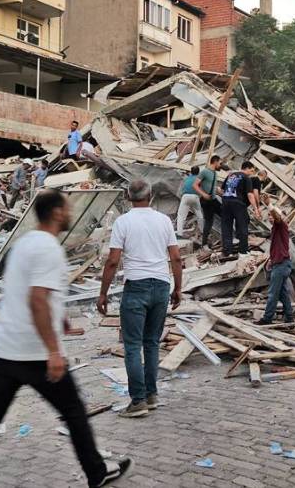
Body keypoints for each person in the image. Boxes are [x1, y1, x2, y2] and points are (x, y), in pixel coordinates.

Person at [0, 190, 132, 487]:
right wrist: (54, 351)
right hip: (35, 355)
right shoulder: (48, 249)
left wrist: (61, 317)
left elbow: (30, 293)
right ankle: (96, 472)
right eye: (66, 208)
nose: (70, 213)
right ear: (56, 212)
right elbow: (37, 300)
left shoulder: (25, 243)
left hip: (5, 351)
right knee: (73, 411)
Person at [98, 179, 182, 419]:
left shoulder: (123, 222)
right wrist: (178, 288)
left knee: (133, 346)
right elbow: (176, 257)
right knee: (152, 343)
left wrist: (103, 293)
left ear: (127, 197)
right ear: (151, 195)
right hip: (161, 285)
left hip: (136, 286)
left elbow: (113, 261)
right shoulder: (164, 220)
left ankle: (138, 401)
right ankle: (151, 395)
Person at [257, 207, 294, 326]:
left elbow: (278, 218)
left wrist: (269, 205)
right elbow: (276, 248)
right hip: (280, 264)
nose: (270, 217)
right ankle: (289, 317)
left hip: (281, 265)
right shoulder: (275, 229)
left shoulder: (281, 225)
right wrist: (271, 260)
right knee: (283, 293)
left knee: (273, 293)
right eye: (268, 215)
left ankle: (267, 318)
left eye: (271, 215)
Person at [220, 161, 259, 259]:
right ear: (247, 168)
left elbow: (221, 190)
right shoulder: (246, 178)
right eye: (252, 170)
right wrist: (256, 209)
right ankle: (243, 251)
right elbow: (250, 194)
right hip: (238, 203)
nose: (252, 173)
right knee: (242, 226)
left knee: (226, 227)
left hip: (225, 202)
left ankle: (227, 251)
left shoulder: (230, 175)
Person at [192, 156, 222, 249]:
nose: (220, 165)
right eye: (220, 163)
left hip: (213, 199)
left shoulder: (215, 173)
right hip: (206, 200)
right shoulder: (204, 172)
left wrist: (219, 191)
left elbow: (212, 187)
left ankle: (227, 238)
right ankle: (204, 244)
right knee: (209, 221)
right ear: (215, 162)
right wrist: (203, 194)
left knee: (225, 215)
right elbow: (195, 185)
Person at [175, 165, 204, 239]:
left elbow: (181, 190)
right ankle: (202, 231)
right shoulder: (199, 179)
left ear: (191, 172)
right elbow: (202, 189)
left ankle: (179, 233)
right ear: (198, 172)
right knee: (199, 215)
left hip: (186, 196)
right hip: (195, 197)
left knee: (181, 216)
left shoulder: (186, 179)